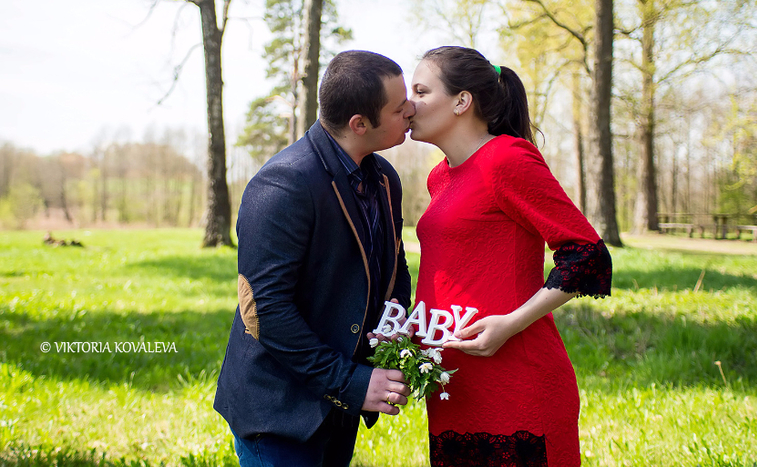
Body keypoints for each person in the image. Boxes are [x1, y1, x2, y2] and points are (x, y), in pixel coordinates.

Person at [408, 46, 612, 466]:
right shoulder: (439, 176)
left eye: (421, 92)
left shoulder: (507, 159)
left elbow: (587, 255)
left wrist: (510, 324)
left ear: (462, 101)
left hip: (517, 382)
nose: (409, 104)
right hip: (455, 385)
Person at [214, 50, 415, 467]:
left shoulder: (385, 178)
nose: (411, 110)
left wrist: (395, 328)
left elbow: (393, 265)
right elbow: (264, 310)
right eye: (399, 108)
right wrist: (350, 382)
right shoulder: (283, 184)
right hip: (279, 413)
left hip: (338, 411)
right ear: (359, 124)